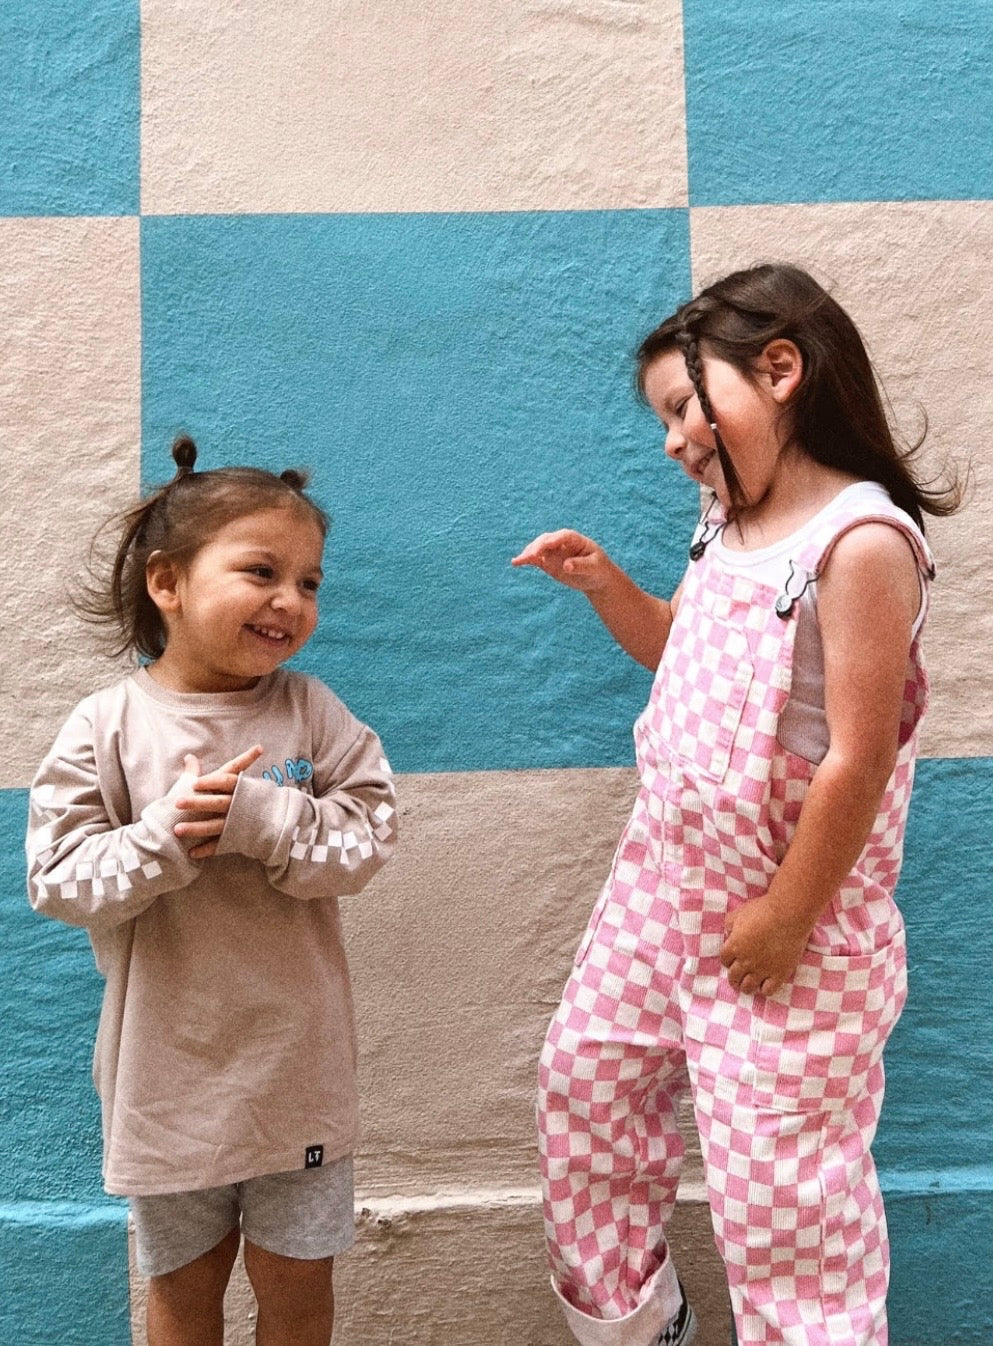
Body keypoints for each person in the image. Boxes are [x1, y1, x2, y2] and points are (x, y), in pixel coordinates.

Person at [512, 264, 959, 1346]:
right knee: (587, 1080)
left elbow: (856, 759)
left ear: (781, 369)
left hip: (787, 916)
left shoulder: (860, 541)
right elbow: (687, 659)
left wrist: (788, 915)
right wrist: (610, 587)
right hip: (661, 882)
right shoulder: (726, 518)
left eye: (682, 405)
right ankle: (636, 1323)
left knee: (782, 1196)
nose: (673, 438)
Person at [26, 437, 397, 1346]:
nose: (290, 601)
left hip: (297, 1075)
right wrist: (164, 840)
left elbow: (370, 839)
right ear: (168, 583)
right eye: (261, 571)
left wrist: (267, 821)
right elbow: (58, 881)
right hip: (167, 1083)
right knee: (184, 1296)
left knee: (297, 1292)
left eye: (309, 582)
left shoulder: (312, 711)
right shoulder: (108, 724)